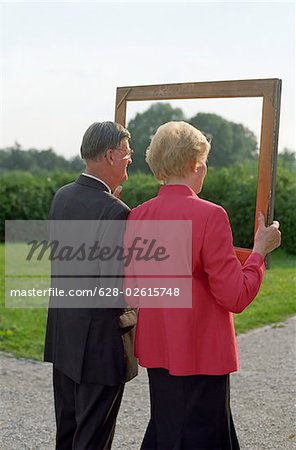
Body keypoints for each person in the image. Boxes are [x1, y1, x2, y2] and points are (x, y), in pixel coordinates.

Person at [124, 121, 281, 450]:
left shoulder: (138, 215)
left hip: (159, 349)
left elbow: (134, 289)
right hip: (202, 350)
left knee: (167, 429)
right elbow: (235, 295)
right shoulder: (210, 215)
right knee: (203, 436)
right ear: (196, 163)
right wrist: (258, 253)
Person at [44, 121, 138, 449]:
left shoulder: (63, 196)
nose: (130, 160)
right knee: (93, 440)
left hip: (64, 336)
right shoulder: (115, 212)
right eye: (127, 154)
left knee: (67, 433)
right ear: (111, 155)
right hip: (100, 345)